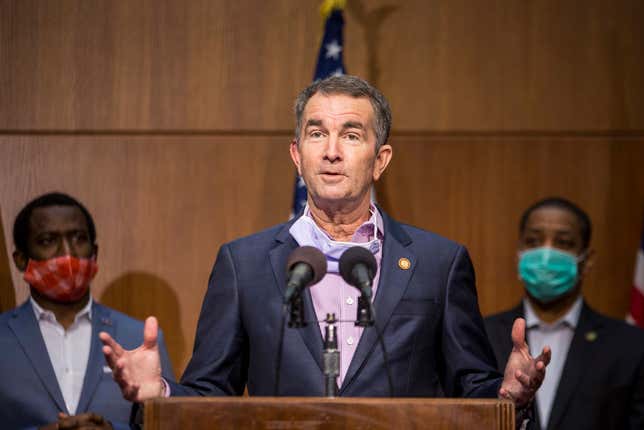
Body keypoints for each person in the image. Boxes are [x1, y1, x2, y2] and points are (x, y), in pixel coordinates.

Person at [101, 75, 549, 414]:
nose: (331, 151)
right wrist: (156, 395)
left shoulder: (439, 262)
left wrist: (507, 395)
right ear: (297, 155)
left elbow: (472, 389)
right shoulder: (244, 263)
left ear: (380, 159)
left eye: (351, 135)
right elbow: (208, 396)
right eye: (316, 134)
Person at [0, 192, 174, 430]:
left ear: (95, 252)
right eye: (48, 240)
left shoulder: (139, 338)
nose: (67, 254)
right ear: (20, 259)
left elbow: (169, 424)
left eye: (79, 238)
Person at [485, 197, 644, 429]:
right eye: (533, 241)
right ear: (519, 253)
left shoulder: (632, 347)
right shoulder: (481, 336)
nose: (546, 254)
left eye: (563, 242)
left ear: (587, 260)